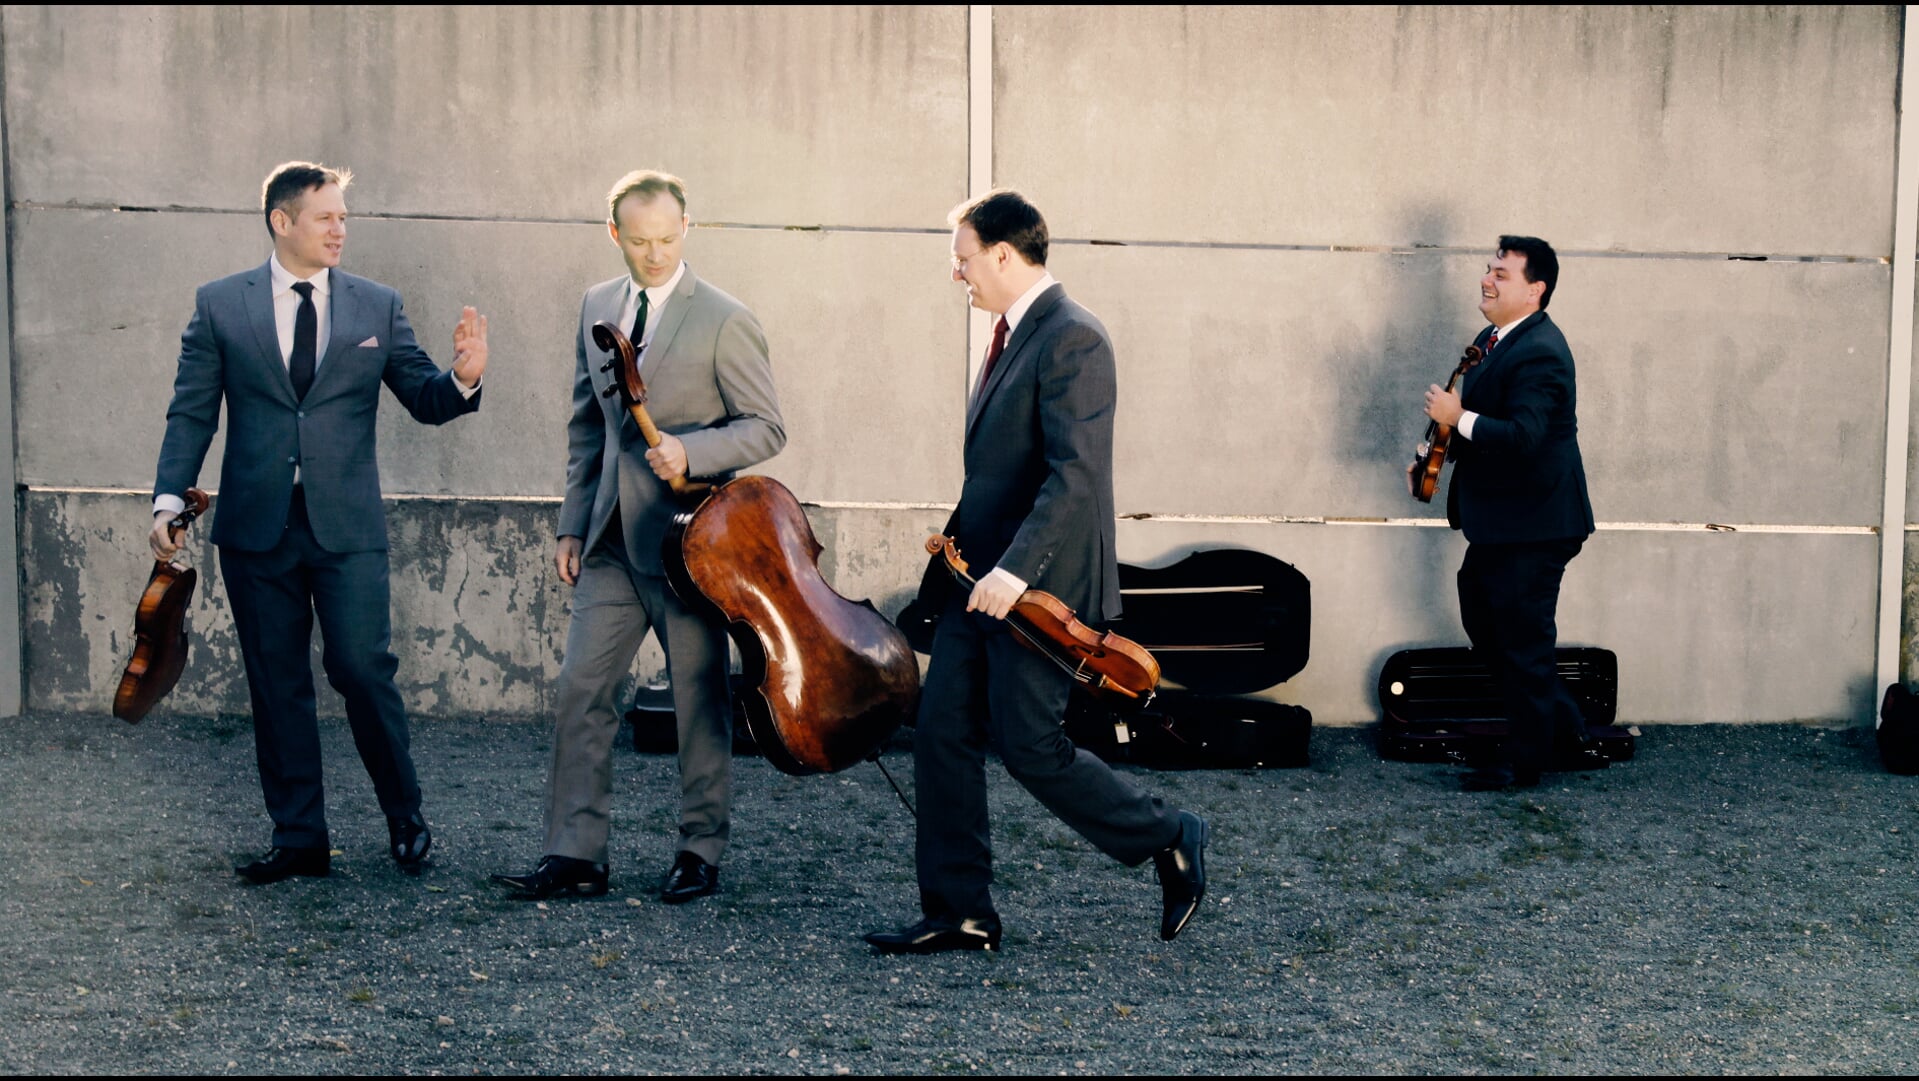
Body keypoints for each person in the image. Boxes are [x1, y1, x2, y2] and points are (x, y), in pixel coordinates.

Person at [863, 190, 1207, 954]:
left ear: (1004, 255)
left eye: (963, 259)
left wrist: (1015, 572)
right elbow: (994, 478)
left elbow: (1074, 476)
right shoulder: (1012, 335)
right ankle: (961, 910)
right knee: (941, 733)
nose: (957, 274)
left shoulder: (1073, 338)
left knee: (1029, 747)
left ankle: (1171, 832)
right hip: (974, 587)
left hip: (1036, 588)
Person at [148, 161, 487, 883]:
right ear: (282, 221)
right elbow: (191, 412)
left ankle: (405, 814)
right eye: (326, 217)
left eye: (343, 217)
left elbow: (424, 398)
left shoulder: (376, 305)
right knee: (276, 683)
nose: (340, 229)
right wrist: (168, 500)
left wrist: (463, 377)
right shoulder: (220, 306)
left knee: (362, 670)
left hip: (347, 528)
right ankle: (299, 837)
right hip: (255, 525)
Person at [491, 170, 784, 903]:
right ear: (614, 234)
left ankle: (698, 848)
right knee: (578, 691)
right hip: (610, 545)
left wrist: (692, 451)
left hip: (689, 548)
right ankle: (575, 854)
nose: (654, 254)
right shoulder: (596, 303)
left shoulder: (724, 317)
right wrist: (569, 523)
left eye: (667, 238)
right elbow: (588, 425)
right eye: (640, 240)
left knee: (698, 697)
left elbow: (765, 425)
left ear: (687, 228)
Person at [1416, 235, 1596, 791]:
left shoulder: (1542, 349)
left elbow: (1525, 435)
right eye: (1488, 269)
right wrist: (1437, 448)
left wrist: (1459, 415)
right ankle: (1563, 732)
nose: (1487, 280)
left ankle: (1525, 762)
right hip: (1503, 523)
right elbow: (1486, 423)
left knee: (1522, 640)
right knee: (1485, 618)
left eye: (1502, 273)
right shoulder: (1493, 339)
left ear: (1535, 289)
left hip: (1537, 524)